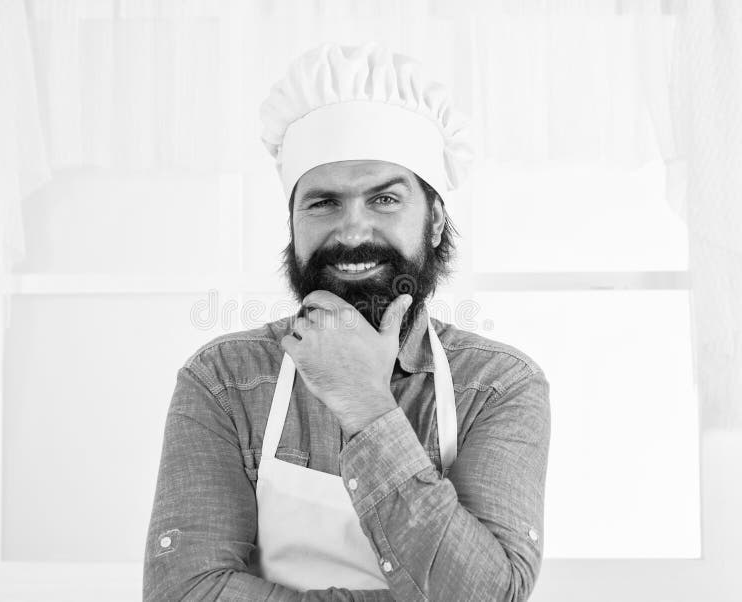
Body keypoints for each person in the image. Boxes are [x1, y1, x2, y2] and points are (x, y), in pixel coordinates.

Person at [143, 42, 551, 602]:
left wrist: (366, 405)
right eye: (324, 203)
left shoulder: (499, 386)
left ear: (434, 223)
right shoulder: (223, 381)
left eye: (384, 199)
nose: (353, 231)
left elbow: (491, 594)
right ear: (292, 226)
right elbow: (185, 593)